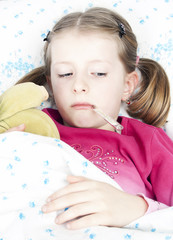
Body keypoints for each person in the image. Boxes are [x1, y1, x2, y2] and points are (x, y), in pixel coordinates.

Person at [12, 7, 173, 230]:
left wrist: (135, 208)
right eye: (65, 74)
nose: (78, 86)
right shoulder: (30, 128)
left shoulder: (147, 141)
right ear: (50, 83)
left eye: (98, 73)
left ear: (127, 85)